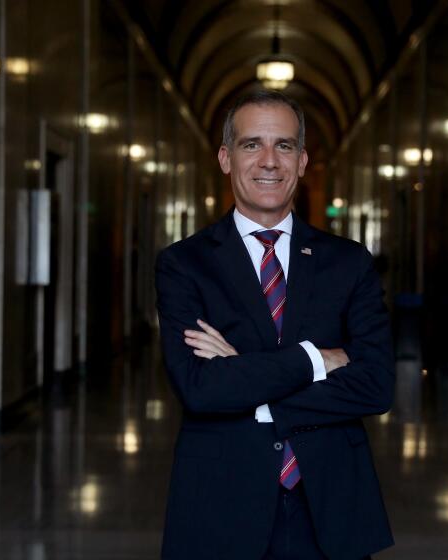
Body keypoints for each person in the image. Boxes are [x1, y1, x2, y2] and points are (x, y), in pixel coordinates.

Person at [155, 90, 394, 560]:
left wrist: (245, 375)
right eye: (251, 145)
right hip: (220, 506)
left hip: (331, 508)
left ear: (302, 161)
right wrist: (316, 359)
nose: (269, 161)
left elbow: (376, 385)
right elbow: (200, 388)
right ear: (225, 158)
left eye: (284, 146)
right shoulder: (184, 264)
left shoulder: (349, 263)